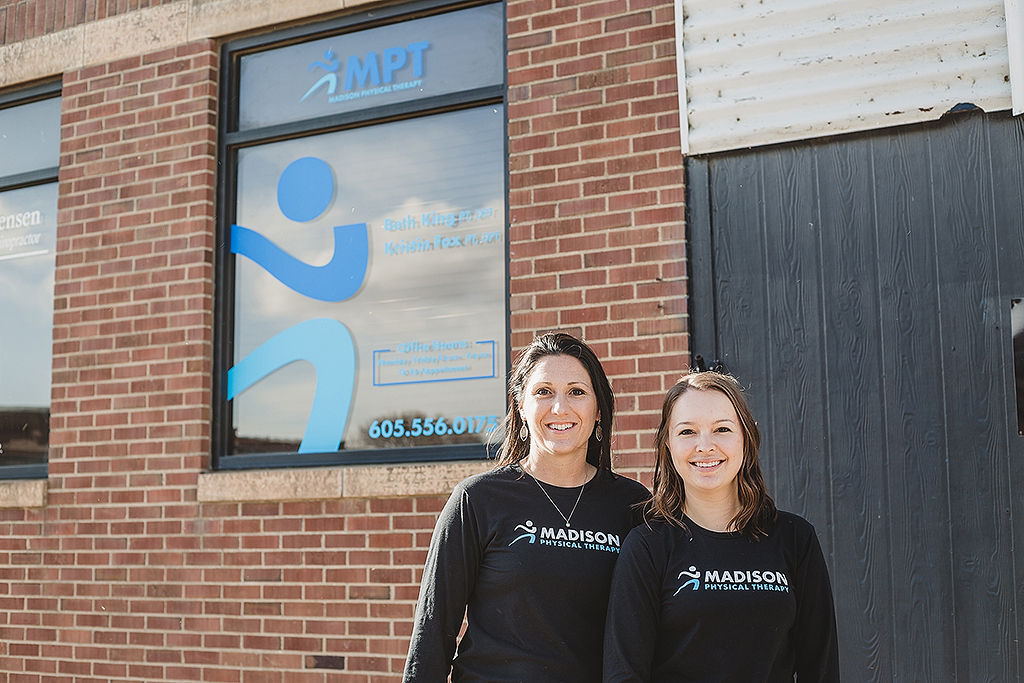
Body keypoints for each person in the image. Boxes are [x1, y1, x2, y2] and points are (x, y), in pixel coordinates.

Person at [403, 332, 651, 683]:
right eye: (543, 391)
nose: (560, 407)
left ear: (598, 411)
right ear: (521, 406)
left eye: (577, 392)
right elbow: (433, 627)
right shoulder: (478, 500)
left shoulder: (632, 505)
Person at [603, 372, 840, 683]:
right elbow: (624, 673)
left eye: (722, 429)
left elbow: (820, 668)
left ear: (746, 437)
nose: (705, 446)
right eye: (688, 431)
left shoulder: (795, 539)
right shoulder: (647, 546)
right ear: (667, 444)